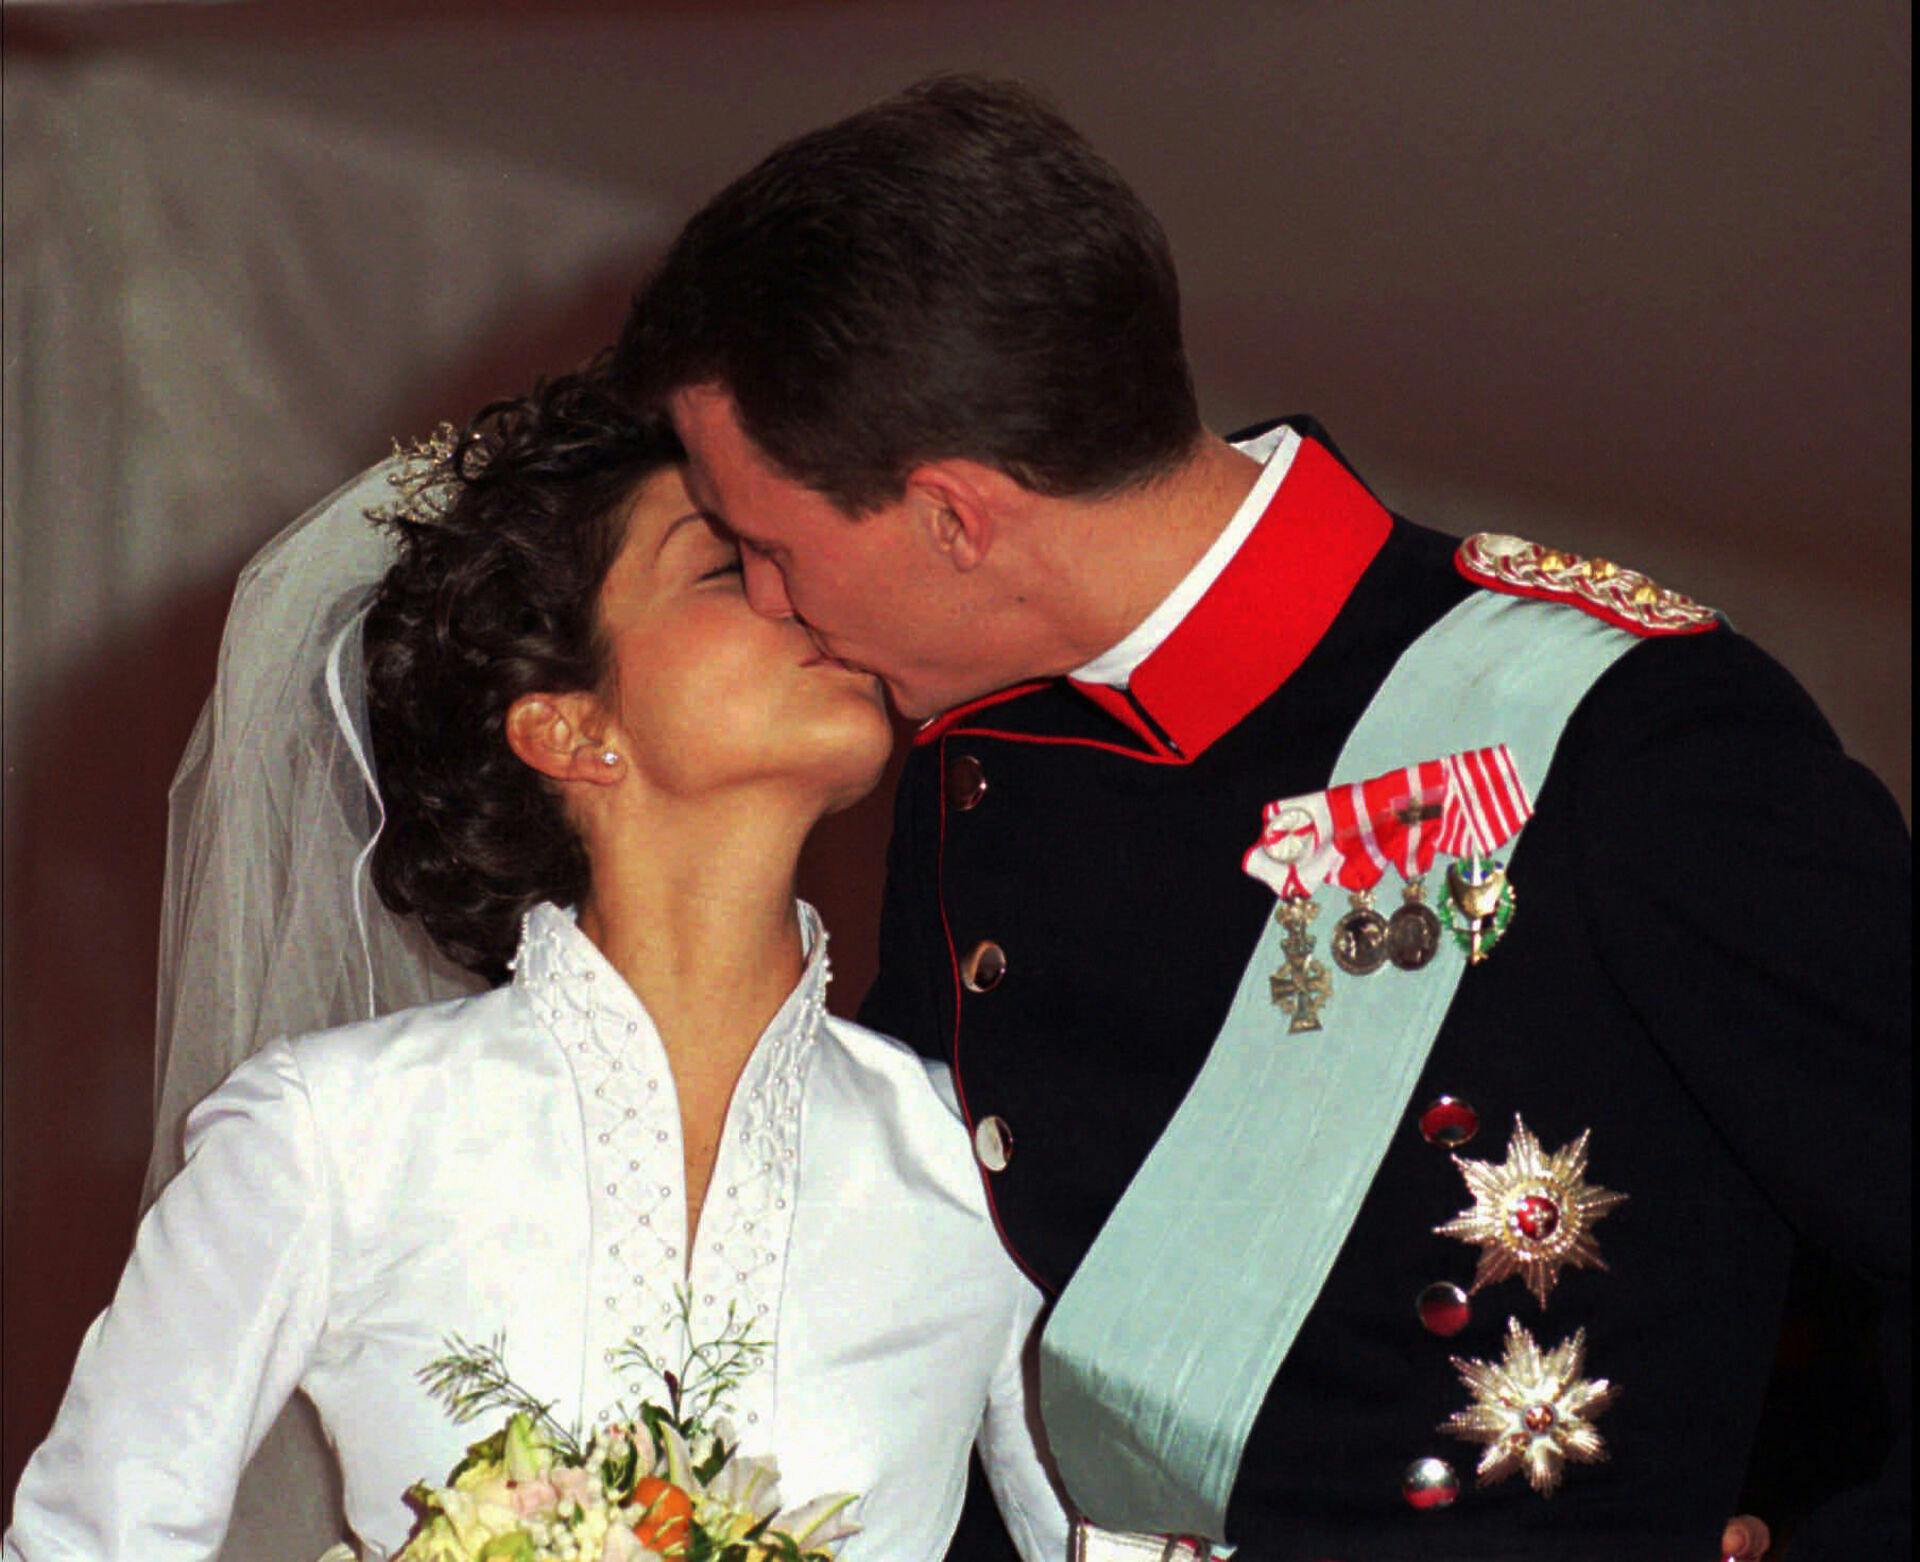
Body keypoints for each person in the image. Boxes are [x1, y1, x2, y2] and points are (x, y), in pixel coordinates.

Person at [612, 76, 1911, 1561]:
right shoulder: (989, 765)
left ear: (954, 514)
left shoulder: (1625, 731)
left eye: (771, 548)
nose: (772, 602)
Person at [4, 368, 1072, 1561]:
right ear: (566, 726)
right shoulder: (333, 1132)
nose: (807, 597)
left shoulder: (971, 1155)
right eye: (730, 569)